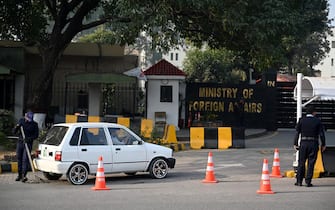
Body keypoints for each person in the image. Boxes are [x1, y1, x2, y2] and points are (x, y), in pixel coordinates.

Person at [293, 106, 326, 187]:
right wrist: (323, 144)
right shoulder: (317, 121)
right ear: (313, 112)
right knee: (311, 163)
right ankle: (308, 181)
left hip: (303, 143)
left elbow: (297, 133)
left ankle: (299, 181)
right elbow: (321, 134)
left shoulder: (301, 120)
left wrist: (295, 143)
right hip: (313, 143)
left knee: (301, 162)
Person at [12, 111, 39, 182]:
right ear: (25, 116)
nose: (29, 120)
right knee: (19, 158)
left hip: (28, 143)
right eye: (28, 118)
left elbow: (36, 135)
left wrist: (29, 139)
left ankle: (24, 176)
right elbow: (14, 132)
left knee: (25, 159)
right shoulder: (21, 121)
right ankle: (19, 175)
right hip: (20, 142)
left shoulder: (34, 124)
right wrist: (17, 126)